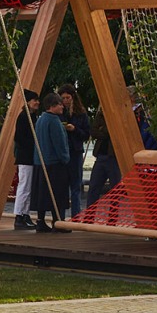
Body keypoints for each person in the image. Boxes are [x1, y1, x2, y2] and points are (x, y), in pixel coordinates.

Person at [31, 91, 70, 232]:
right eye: (60, 104)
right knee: (57, 193)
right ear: (53, 106)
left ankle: (40, 220)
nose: (62, 107)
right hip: (54, 163)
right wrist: (65, 158)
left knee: (43, 193)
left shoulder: (41, 119)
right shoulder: (54, 121)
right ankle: (58, 221)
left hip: (41, 162)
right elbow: (59, 143)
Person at [11, 89, 41, 231]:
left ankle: (25, 214)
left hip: (30, 156)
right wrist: (33, 144)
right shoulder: (24, 117)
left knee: (28, 187)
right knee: (24, 186)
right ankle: (19, 215)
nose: (37, 102)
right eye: (34, 100)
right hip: (26, 156)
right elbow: (19, 138)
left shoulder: (33, 117)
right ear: (28, 102)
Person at [59, 84, 90, 216]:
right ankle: (60, 214)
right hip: (63, 151)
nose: (66, 100)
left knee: (76, 185)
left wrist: (75, 129)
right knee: (62, 185)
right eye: (63, 98)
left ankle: (76, 215)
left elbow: (86, 134)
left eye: (68, 97)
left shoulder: (81, 114)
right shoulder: (58, 113)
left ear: (73, 97)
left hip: (75, 151)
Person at [85, 108, 121, 207]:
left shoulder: (119, 114)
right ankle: (89, 217)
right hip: (101, 155)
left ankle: (112, 220)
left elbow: (115, 131)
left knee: (115, 190)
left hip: (113, 156)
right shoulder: (101, 113)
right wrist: (105, 130)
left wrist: (103, 129)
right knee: (94, 187)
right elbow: (93, 131)